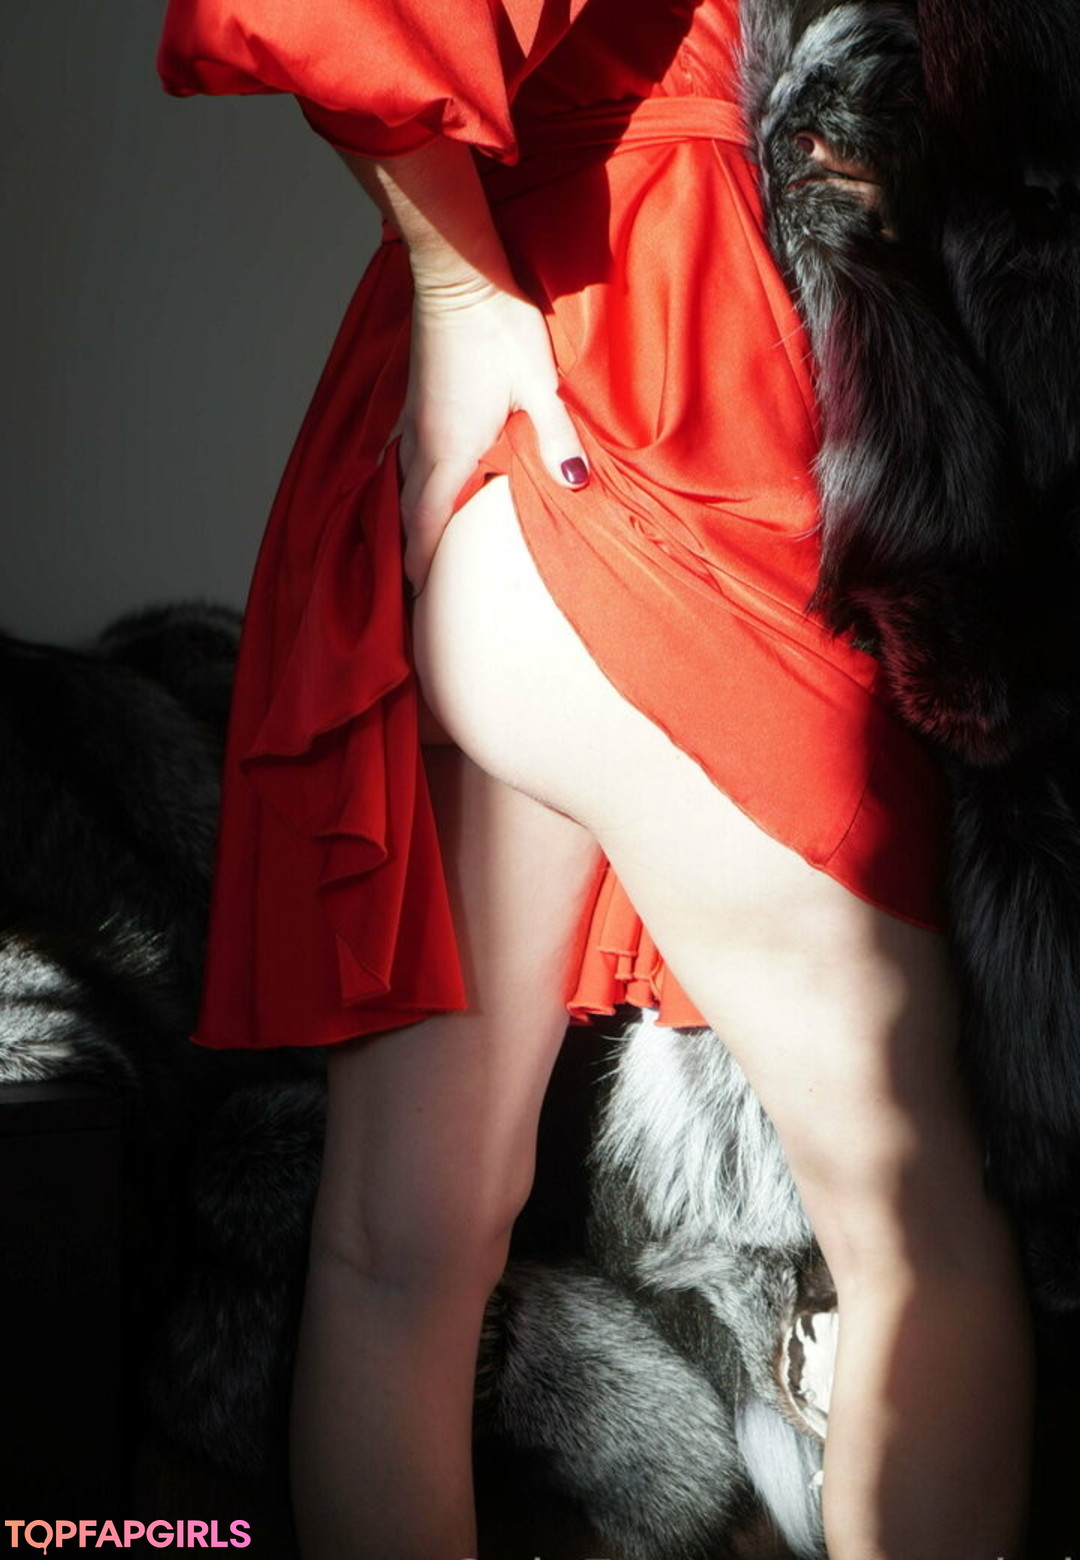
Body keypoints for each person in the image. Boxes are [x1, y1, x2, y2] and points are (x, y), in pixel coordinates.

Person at [156, 0, 1036, 1554]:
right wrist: (458, 289)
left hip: (466, 444)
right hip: (661, 394)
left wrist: (455, 287)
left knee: (398, 1248)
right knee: (912, 1223)